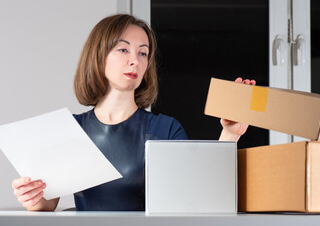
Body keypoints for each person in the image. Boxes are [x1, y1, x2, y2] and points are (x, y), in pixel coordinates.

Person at [11, 14, 256, 211]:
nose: (135, 61)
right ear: (98, 57)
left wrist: (229, 134)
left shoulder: (166, 129)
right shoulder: (71, 130)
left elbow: (197, 195)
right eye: (123, 50)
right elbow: (46, 205)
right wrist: (33, 197)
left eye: (143, 53)